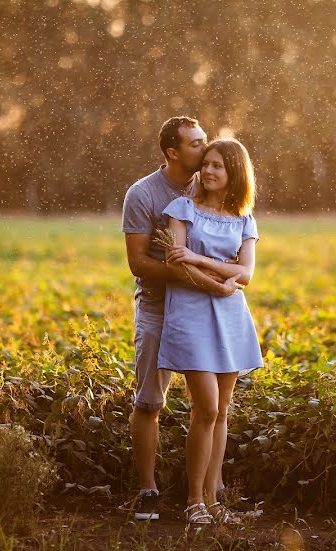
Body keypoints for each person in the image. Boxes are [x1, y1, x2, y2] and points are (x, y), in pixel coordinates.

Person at [122, 117, 243, 521]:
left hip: (206, 311)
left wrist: (213, 280)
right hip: (159, 308)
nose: (205, 152)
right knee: (151, 400)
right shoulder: (144, 194)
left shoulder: (209, 186)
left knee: (212, 407)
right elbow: (138, 262)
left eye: (206, 144)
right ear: (173, 152)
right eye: (195, 145)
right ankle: (148, 488)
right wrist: (212, 280)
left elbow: (240, 261)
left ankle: (211, 491)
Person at [158, 138, 263, 525]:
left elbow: (246, 274)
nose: (209, 171)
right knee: (206, 408)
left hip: (231, 316)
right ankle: (193, 501)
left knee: (222, 413)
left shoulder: (244, 219)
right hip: (190, 315)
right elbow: (177, 264)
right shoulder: (182, 209)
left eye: (219, 165)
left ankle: (214, 501)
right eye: (207, 164)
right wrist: (222, 270)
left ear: (235, 171)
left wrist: (202, 259)